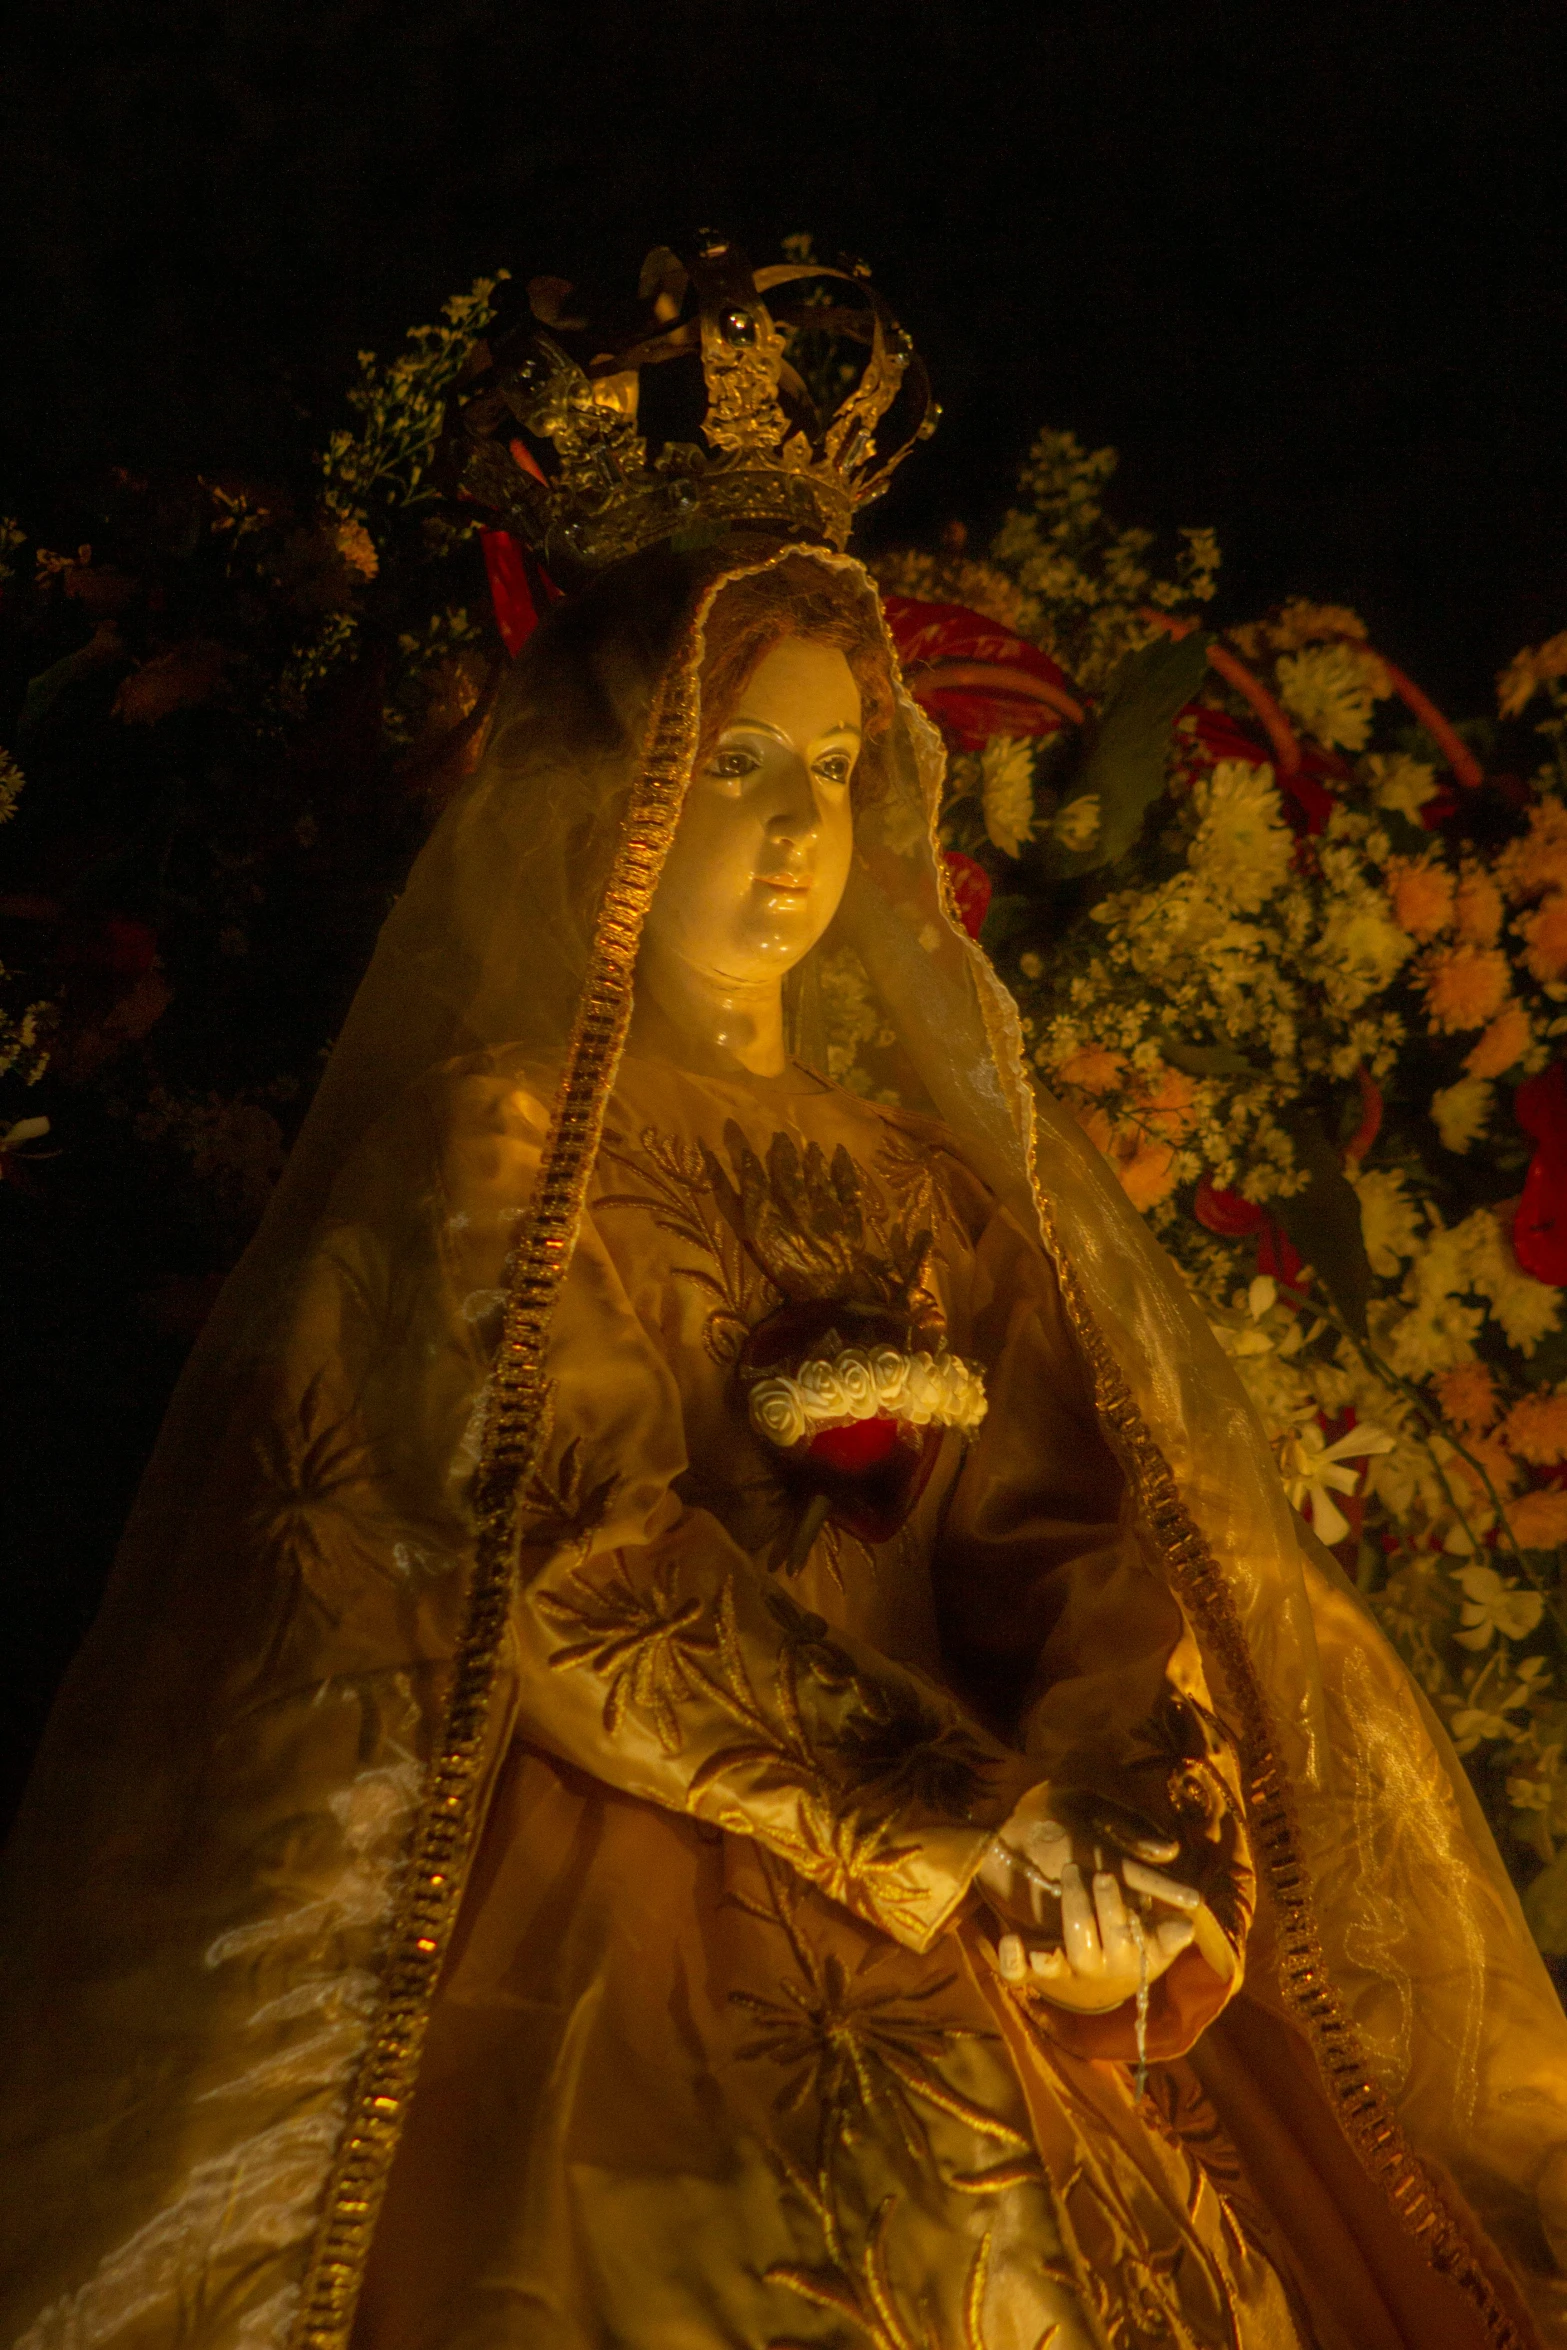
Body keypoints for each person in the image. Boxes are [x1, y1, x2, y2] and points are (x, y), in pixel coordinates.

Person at [3, 242, 1566, 2350]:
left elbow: (1085, 1538)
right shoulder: (499, 1144)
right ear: (600, 794)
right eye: (729, 763)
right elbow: (559, 1553)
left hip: (1014, 1911)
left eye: (829, 770)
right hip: (629, 1890)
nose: (788, 827)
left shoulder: (924, 1176)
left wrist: (1124, 1801)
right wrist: (969, 1822)